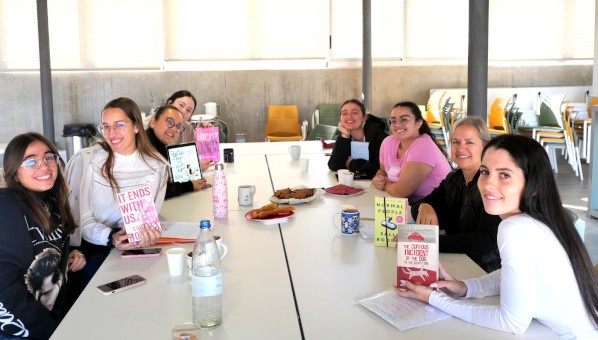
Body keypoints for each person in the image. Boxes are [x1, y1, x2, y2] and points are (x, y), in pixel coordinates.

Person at [396, 134, 598, 338]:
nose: (488, 184)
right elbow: (513, 275)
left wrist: (434, 298)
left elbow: (511, 323)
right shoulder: (541, 220)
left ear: (534, 186)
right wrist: (466, 287)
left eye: (505, 175)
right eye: (485, 172)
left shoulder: (514, 228)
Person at [0, 132, 86, 339]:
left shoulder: (52, 203)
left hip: (51, 318)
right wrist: (53, 331)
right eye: (31, 161)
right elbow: (3, 290)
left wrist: (67, 257)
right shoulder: (6, 207)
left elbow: (42, 249)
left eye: (49, 157)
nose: (44, 165)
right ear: (14, 173)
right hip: (22, 330)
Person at [66, 97, 169, 269]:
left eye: (119, 125)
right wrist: (111, 237)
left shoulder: (156, 167)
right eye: (106, 126)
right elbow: (82, 220)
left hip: (133, 250)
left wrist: (145, 234)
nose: (111, 133)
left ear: (136, 126)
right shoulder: (89, 162)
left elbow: (145, 220)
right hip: (92, 251)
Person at [410, 117, 501, 273]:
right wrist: (424, 206)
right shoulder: (454, 179)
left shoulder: (492, 184)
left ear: (485, 147)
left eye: (469, 142)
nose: (460, 148)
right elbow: (418, 207)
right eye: (456, 142)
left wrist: (428, 242)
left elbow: (484, 241)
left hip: (485, 272)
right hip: (456, 261)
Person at [372, 101, 451, 202]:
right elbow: (383, 171)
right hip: (406, 206)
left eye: (404, 119)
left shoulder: (423, 146)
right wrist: (378, 178)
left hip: (434, 209)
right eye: (393, 121)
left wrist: (385, 184)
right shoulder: (388, 142)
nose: (397, 125)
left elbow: (401, 192)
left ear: (419, 123)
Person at [146, 105, 207, 199]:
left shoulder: (159, 145)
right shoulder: (145, 148)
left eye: (178, 126)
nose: (174, 129)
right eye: (169, 122)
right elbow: (150, 192)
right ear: (153, 122)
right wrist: (188, 186)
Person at [327, 99, 388, 179]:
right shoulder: (345, 136)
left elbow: (379, 169)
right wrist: (345, 136)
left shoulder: (380, 137)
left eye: (355, 112)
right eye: (344, 113)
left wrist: (352, 164)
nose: (349, 116)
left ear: (364, 118)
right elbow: (334, 166)